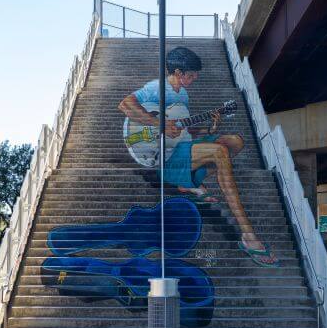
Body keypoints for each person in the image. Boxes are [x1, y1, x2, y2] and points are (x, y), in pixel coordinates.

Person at [118, 46, 277, 266]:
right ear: (178, 72)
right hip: (162, 155)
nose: (194, 79)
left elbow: (182, 131)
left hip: (181, 150)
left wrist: (208, 130)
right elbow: (125, 104)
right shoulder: (157, 88)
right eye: (191, 75)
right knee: (219, 152)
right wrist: (160, 124)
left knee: (235, 142)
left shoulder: (182, 94)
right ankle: (248, 235)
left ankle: (189, 182)